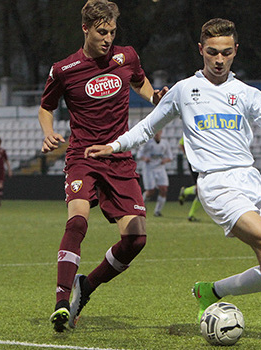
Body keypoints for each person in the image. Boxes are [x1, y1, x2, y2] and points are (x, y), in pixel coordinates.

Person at [85, 18, 261, 346]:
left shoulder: (246, 93)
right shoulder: (184, 91)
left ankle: (212, 291)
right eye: (212, 52)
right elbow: (148, 127)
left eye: (225, 52)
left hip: (251, 181)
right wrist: (114, 145)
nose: (219, 59)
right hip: (217, 184)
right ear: (201, 51)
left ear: (235, 51)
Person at [37, 0, 168, 332]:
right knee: (78, 221)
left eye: (111, 31)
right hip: (83, 156)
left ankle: (87, 287)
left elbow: (138, 81)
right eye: (101, 32)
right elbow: (46, 106)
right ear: (85, 29)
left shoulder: (127, 56)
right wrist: (49, 131)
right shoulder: (64, 70)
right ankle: (61, 302)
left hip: (120, 157)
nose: (108, 38)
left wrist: (154, 98)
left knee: (136, 240)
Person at [137, 130, 173, 217]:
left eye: (159, 131)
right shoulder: (147, 143)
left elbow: (170, 157)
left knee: (164, 189)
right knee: (150, 191)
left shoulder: (165, 143)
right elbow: (139, 155)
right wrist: (145, 158)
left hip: (160, 168)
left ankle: (157, 211)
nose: (157, 134)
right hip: (149, 169)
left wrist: (165, 160)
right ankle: (141, 205)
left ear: (161, 132)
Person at [177, 137, 202, 221]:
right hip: (195, 163)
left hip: (203, 162)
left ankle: (186, 192)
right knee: (201, 188)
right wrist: (188, 155)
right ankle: (191, 215)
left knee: (201, 188)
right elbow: (181, 144)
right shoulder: (191, 130)